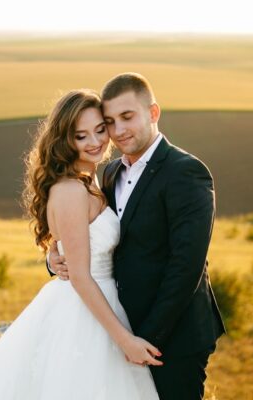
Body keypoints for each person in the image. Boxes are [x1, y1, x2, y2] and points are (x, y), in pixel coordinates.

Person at [0, 88, 160, 399]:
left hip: (103, 300)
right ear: (64, 140)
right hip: (85, 308)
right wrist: (125, 341)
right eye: (81, 136)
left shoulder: (91, 177)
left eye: (100, 130)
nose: (95, 142)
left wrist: (53, 257)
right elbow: (81, 276)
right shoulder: (71, 189)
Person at [49, 72, 227, 400]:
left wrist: (143, 339)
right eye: (110, 122)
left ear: (153, 113)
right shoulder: (111, 172)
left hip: (172, 337)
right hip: (121, 330)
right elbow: (94, 239)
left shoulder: (186, 172)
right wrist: (55, 256)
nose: (118, 131)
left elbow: (185, 268)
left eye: (127, 117)